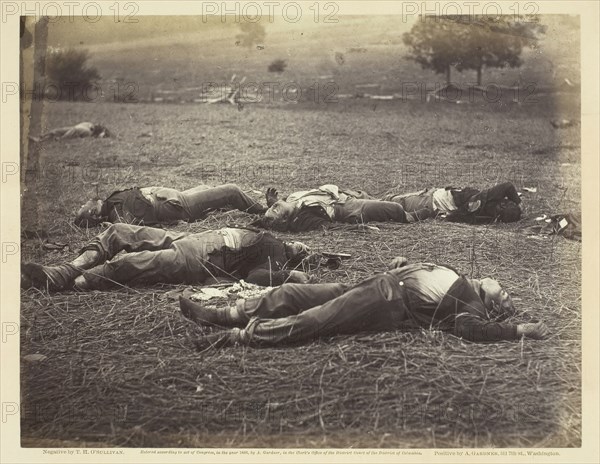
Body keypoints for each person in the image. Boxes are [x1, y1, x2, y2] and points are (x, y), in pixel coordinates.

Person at [181, 256, 549, 349]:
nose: (502, 288)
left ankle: (239, 337)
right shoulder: (461, 277)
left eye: (503, 295)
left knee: (317, 319)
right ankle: (222, 315)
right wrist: (406, 263)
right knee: (293, 293)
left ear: (492, 303)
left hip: (387, 300)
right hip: (379, 282)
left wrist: (519, 329)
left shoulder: (472, 306)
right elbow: (426, 275)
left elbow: (474, 331)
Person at [21, 224, 312, 292]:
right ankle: (68, 267)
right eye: (304, 245)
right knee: (120, 231)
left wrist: (290, 276)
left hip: (197, 259)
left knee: (131, 264)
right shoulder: (271, 238)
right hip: (189, 238)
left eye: (305, 251)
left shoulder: (277, 257)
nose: (304, 246)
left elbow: (256, 279)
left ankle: (67, 280)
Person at [75, 184, 267, 227]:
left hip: (174, 197)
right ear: (93, 212)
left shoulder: (111, 204)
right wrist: (112, 226)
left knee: (207, 188)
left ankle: (239, 206)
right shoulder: (116, 213)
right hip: (176, 204)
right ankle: (265, 212)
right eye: (83, 206)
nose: (85, 202)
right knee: (231, 190)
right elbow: (126, 228)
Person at [252, 184, 428, 232]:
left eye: (273, 206)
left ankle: (419, 200)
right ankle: (414, 216)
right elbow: (331, 227)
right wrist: (359, 228)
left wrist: (271, 204)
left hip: (343, 194)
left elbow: (270, 212)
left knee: (387, 198)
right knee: (394, 208)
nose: (275, 206)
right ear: (284, 219)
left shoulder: (290, 199)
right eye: (276, 209)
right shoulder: (302, 219)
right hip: (347, 207)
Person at [382, 182, 522, 224]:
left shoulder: (486, 206)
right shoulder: (481, 201)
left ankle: (364, 199)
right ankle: (362, 198)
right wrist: (518, 203)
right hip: (429, 200)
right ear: (502, 204)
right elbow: (508, 186)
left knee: (391, 204)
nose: (496, 218)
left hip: (431, 201)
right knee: (391, 202)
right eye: (499, 214)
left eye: (500, 218)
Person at [30, 122, 110, 142]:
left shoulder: (89, 127)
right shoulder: (89, 128)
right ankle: (41, 138)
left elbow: (79, 135)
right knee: (56, 132)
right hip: (74, 129)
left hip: (75, 129)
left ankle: (41, 138)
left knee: (56, 132)